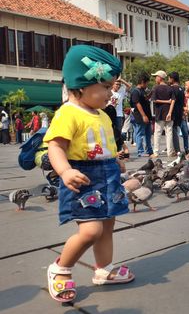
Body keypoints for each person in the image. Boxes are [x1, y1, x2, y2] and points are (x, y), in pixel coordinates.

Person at [43, 45, 134, 303]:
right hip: (82, 177)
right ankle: (60, 268)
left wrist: (116, 161)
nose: (111, 93)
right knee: (91, 230)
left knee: (107, 225)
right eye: (106, 87)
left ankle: (103, 269)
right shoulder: (68, 113)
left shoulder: (103, 115)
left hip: (107, 175)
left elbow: (105, 145)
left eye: (112, 87)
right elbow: (56, 146)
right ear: (82, 85)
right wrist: (64, 171)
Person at [151, 70, 175, 158]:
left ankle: (156, 152)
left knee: (157, 133)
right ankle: (170, 152)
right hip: (169, 114)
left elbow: (154, 100)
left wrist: (164, 102)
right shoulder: (170, 88)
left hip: (160, 114)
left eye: (156, 76)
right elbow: (173, 101)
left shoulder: (156, 88)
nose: (155, 78)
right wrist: (170, 112)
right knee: (169, 133)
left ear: (160, 78)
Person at [131, 73, 153, 157]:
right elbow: (137, 103)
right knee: (140, 133)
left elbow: (144, 99)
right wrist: (143, 115)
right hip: (140, 116)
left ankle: (149, 150)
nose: (147, 85)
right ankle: (140, 151)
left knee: (148, 134)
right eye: (147, 83)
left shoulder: (142, 91)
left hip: (147, 115)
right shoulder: (135, 91)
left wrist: (150, 94)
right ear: (143, 82)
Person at [169, 72, 189, 155]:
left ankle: (177, 150)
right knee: (184, 131)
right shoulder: (181, 89)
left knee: (173, 132)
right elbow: (184, 102)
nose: (168, 80)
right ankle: (186, 148)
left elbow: (171, 101)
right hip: (180, 112)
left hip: (173, 113)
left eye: (169, 78)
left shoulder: (171, 89)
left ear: (172, 79)